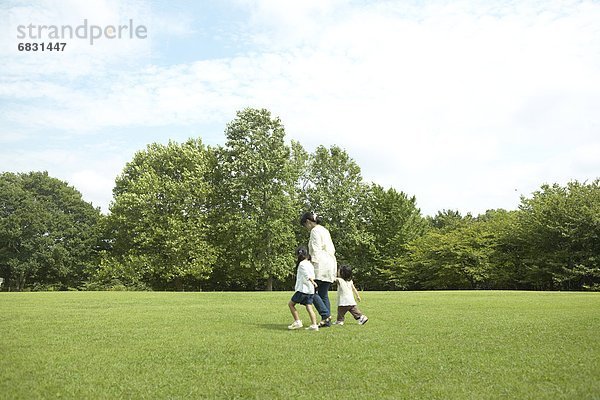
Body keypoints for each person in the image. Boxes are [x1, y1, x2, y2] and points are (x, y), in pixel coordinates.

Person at [300, 211, 336, 327]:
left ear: (308, 222)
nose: (306, 228)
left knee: (312, 292)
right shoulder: (324, 230)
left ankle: (325, 315)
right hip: (330, 263)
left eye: (305, 225)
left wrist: (311, 264)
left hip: (321, 264)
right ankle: (327, 322)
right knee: (323, 293)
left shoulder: (314, 231)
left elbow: (316, 250)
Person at [288, 246, 319, 331]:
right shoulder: (309, 263)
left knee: (291, 304)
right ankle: (314, 325)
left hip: (303, 289)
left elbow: (307, 275)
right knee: (309, 307)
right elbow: (312, 274)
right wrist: (313, 283)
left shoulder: (301, 264)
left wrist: (312, 281)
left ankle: (297, 321)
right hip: (310, 290)